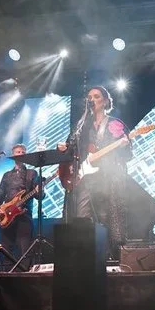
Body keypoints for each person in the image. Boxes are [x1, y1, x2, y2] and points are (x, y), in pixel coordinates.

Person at [58, 86, 132, 258]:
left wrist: (124, 146)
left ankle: (111, 259)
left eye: (96, 96)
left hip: (109, 179)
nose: (92, 99)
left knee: (107, 218)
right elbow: (71, 148)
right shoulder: (82, 125)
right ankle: (86, 258)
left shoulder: (115, 124)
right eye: (89, 97)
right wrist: (64, 148)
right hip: (86, 178)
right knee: (82, 217)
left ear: (105, 101)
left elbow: (128, 155)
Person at [0, 143, 42, 262]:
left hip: (24, 215)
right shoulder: (7, 175)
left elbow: (39, 196)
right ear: (13, 155)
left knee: (25, 250)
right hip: (7, 215)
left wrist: (40, 191)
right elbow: (0, 194)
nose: (21, 154)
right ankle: (6, 272)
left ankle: (25, 272)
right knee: (6, 250)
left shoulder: (32, 173)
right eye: (18, 152)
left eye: (23, 152)